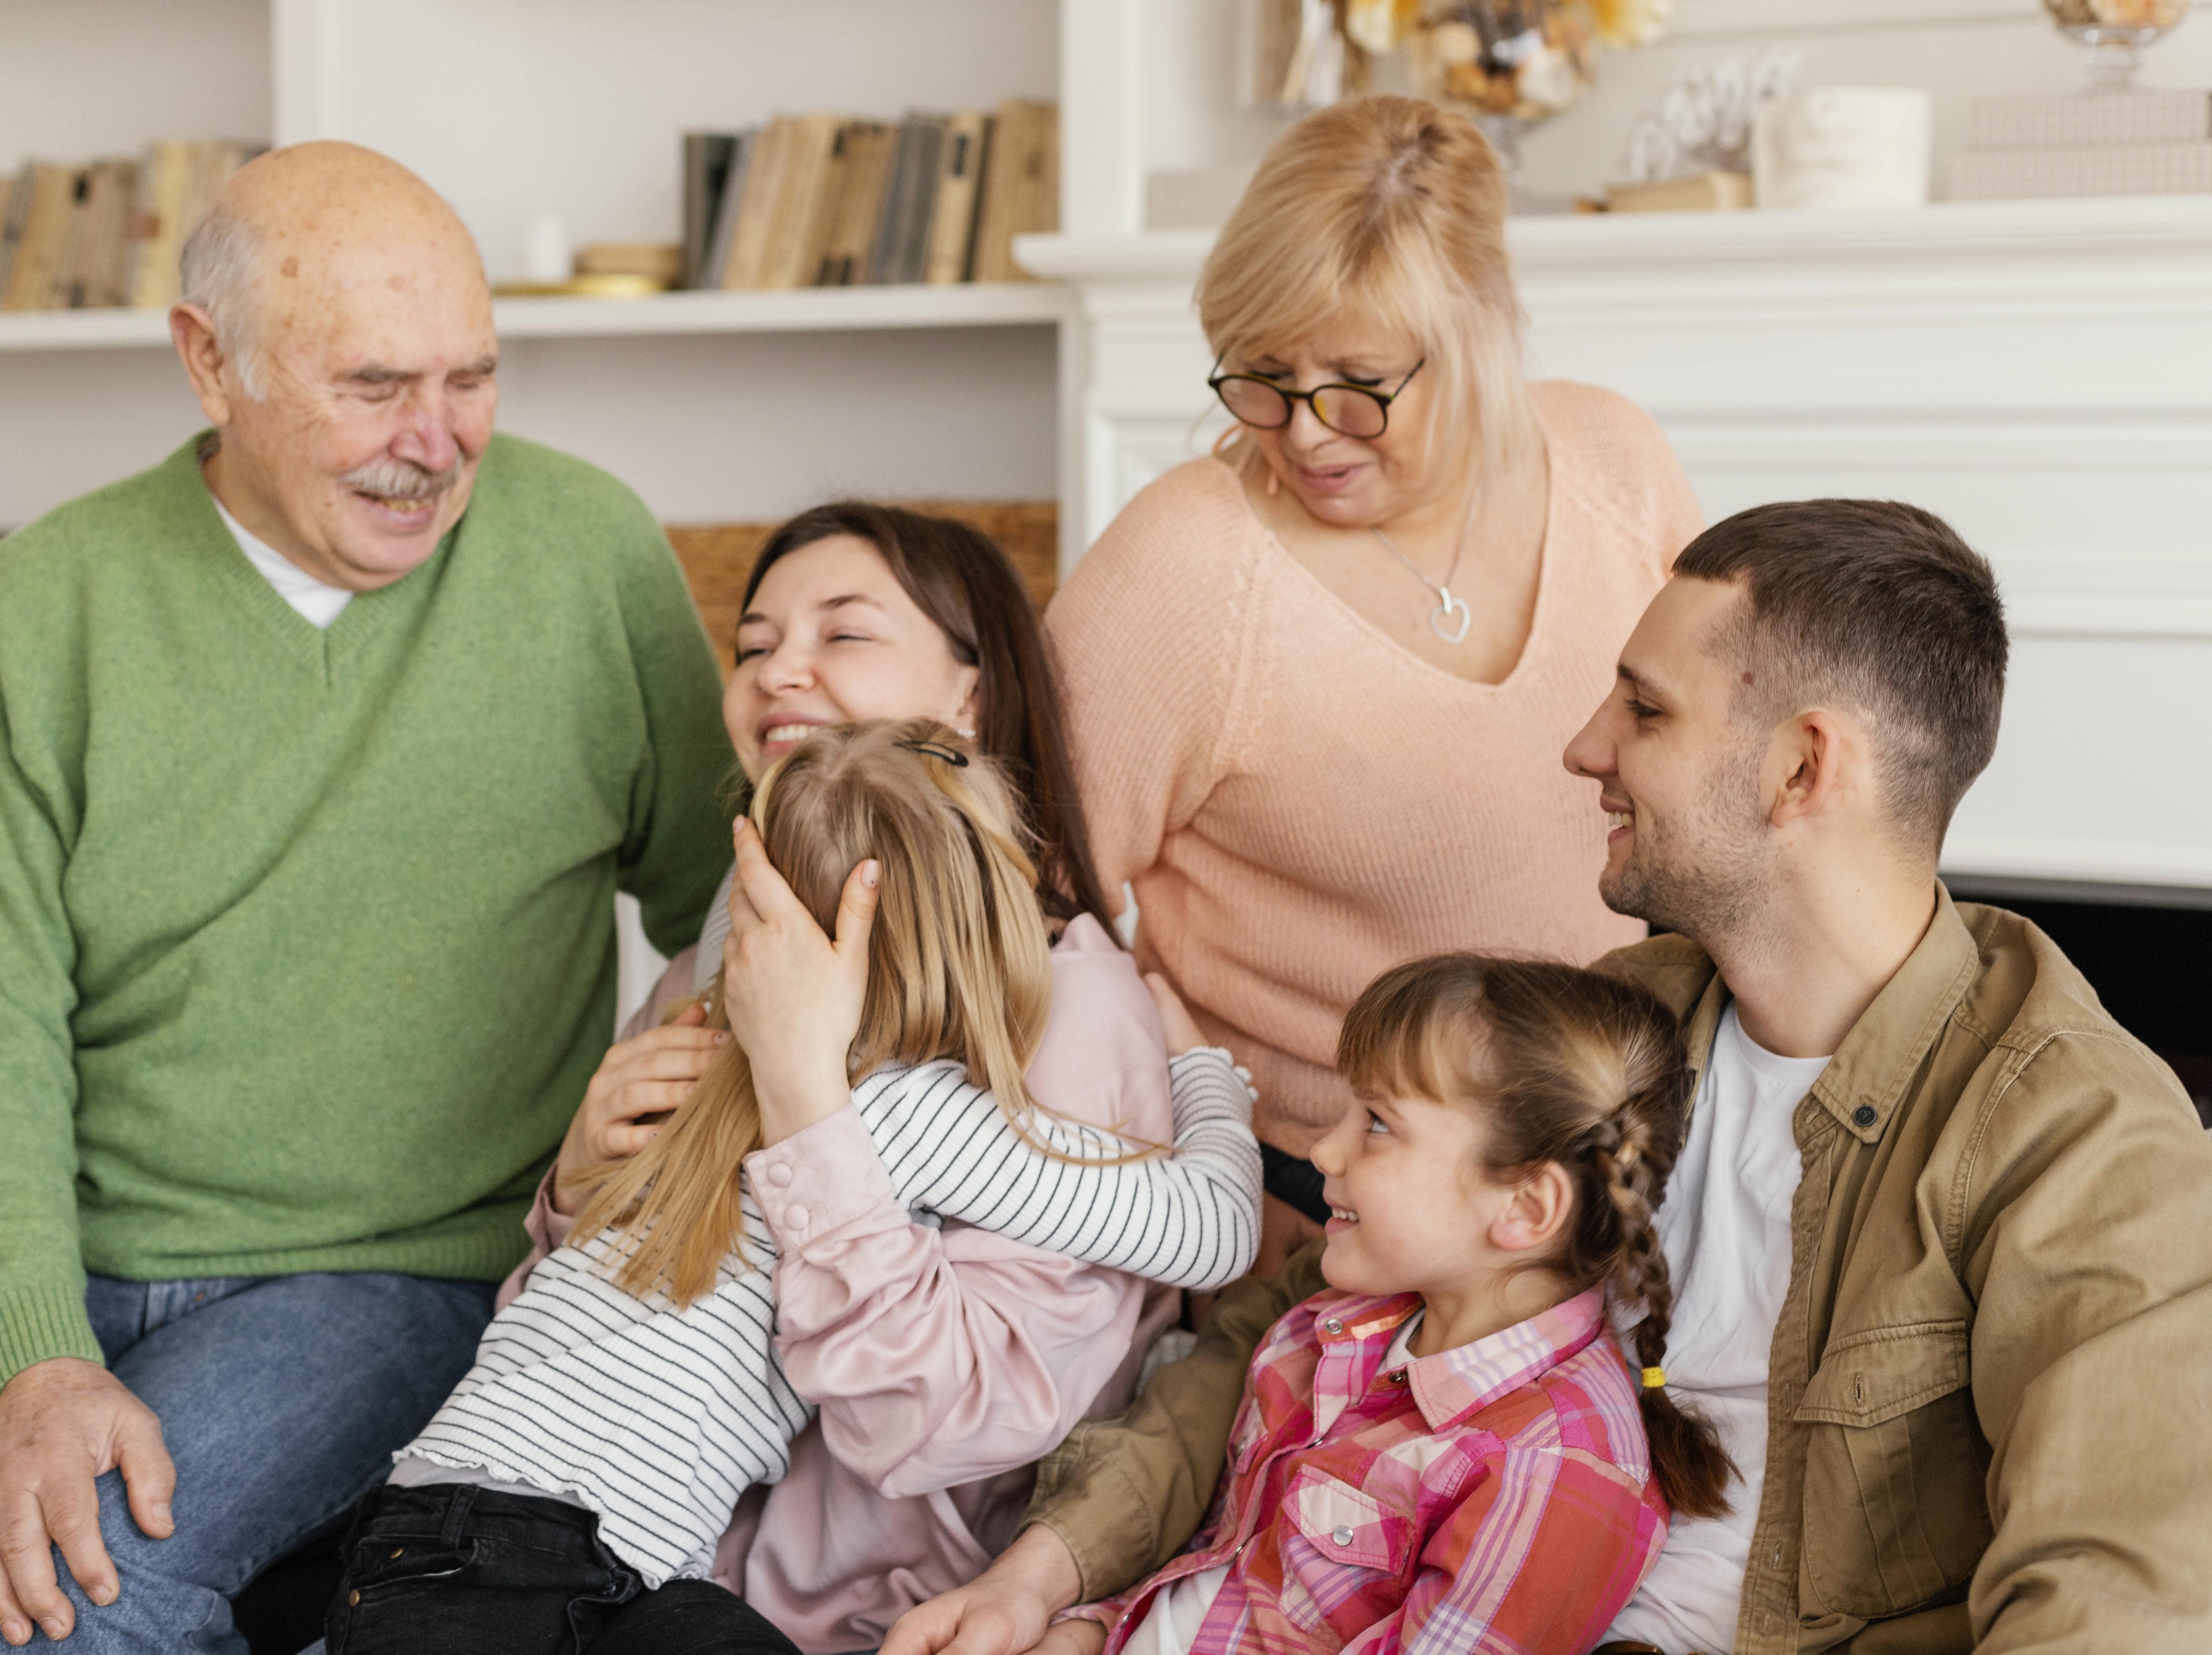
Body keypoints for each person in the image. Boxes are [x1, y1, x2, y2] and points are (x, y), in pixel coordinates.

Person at [888, 498, 2212, 1655]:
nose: (1583, 748)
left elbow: (2117, 1595)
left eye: (1642, 707)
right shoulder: (1619, 1021)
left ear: (1802, 766)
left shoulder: (2078, 1136)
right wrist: (1043, 1570)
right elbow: (1282, 1334)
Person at [0, 142, 736, 1654]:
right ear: (212, 363)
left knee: (55, 1616)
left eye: (473, 377)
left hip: (386, 1273)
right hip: (57, 1237)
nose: (437, 441)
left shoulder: (587, 554)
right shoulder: (49, 602)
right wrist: (39, 1361)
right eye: (376, 385)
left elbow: (726, 901)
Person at [325, 720, 1263, 1655]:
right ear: (985, 925)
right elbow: (1213, 1230)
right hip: (519, 1551)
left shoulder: (702, 1066)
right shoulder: (906, 1111)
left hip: (525, 1550)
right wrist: (1205, 1071)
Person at [520, 503, 1217, 1655]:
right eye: (751, 646)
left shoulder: (1069, 1007)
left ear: (971, 697)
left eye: (842, 635)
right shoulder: (710, 967)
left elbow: (956, 1421)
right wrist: (578, 1185)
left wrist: (808, 1111)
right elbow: (569, 1347)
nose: (776, 670)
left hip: (862, 1625)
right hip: (618, 1576)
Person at [1047, 94, 1703, 1272]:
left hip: (1595, 1171)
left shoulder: (1614, 463)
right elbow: (1023, 905)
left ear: (1479, 335)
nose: (1302, 432)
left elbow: (1715, 779)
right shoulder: (1183, 569)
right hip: (1323, 1199)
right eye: (1259, 375)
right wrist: (1205, 1164)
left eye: (1357, 381)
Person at [1053, 954, 1729, 1655]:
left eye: (1376, 1123)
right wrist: (1085, 1631)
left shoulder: (1547, 1472)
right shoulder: (1340, 1320)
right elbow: (1222, 1569)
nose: (1324, 1150)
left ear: (1527, 1207)